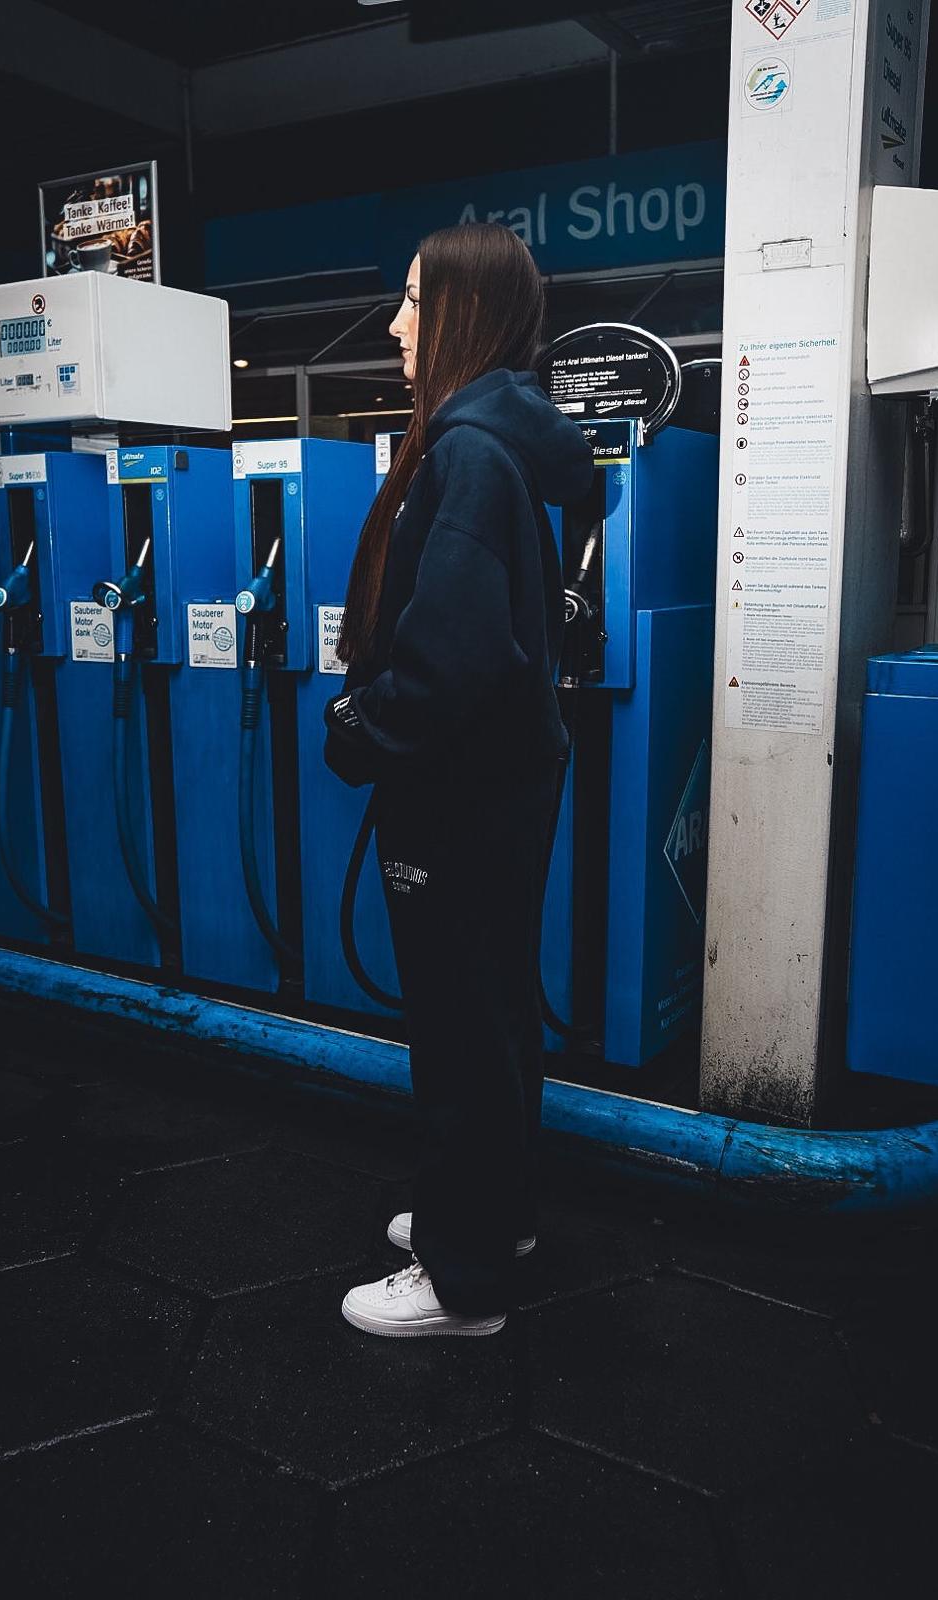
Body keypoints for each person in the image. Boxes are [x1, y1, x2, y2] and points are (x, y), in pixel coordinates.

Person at [324, 222, 593, 1337]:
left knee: (459, 1028)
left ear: (465, 317)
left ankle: (463, 1280)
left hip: (457, 788)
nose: (396, 325)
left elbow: (451, 659)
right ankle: (497, 1215)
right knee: (492, 1016)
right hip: (499, 785)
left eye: (414, 302)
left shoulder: (470, 455)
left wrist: (359, 729)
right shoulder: (497, 444)